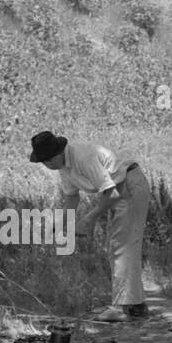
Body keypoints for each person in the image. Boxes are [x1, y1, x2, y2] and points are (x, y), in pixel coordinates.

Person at [29, 130, 150, 322]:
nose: (45, 165)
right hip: (119, 187)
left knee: (122, 246)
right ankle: (135, 305)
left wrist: (88, 220)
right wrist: (61, 226)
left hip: (130, 185)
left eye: (46, 161)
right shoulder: (63, 166)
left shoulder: (83, 158)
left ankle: (122, 308)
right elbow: (71, 197)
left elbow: (111, 193)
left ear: (56, 155)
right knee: (118, 246)